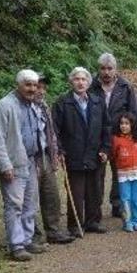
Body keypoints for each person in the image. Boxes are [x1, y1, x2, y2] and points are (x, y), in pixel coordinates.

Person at [0, 69, 47, 261]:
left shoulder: (32, 105)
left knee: (30, 203)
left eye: (34, 85)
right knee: (14, 204)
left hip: (30, 161)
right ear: (18, 85)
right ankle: (16, 245)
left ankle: (27, 239)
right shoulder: (4, 106)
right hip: (13, 164)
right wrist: (5, 165)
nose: (32, 89)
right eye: (28, 85)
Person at [53, 66, 111, 236]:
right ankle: (75, 225)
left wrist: (105, 148)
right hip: (73, 154)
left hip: (95, 153)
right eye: (77, 79)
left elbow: (106, 127)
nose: (80, 82)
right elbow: (55, 130)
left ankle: (93, 222)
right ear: (71, 82)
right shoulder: (62, 103)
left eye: (84, 79)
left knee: (95, 190)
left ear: (88, 82)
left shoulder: (97, 101)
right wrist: (59, 150)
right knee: (76, 193)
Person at [89, 53, 137, 218]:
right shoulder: (91, 86)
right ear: (98, 69)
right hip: (98, 137)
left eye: (110, 68)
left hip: (119, 136)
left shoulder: (125, 87)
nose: (106, 72)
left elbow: (132, 113)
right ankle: (95, 209)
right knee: (97, 175)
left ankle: (117, 205)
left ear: (116, 69)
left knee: (120, 173)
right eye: (103, 68)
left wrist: (131, 136)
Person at [32, 75, 75, 245]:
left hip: (46, 156)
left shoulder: (44, 107)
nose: (41, 91)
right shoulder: (22, 108)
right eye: (38, 87)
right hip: (31, 158)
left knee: (52, 195)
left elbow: (52, 132)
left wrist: (56, 152)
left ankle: (53, 231)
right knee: (31, 199)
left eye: (43, 88)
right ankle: (32, 235)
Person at [111, 113, 137, 232]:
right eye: (122, 123)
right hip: (123, 175)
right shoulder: (116, 140)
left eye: (127, 123)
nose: (124, 126)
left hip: (136, 174)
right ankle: (127, 222)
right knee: (125, 200)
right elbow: (113, 154)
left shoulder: (136, 139)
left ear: (132, 125)